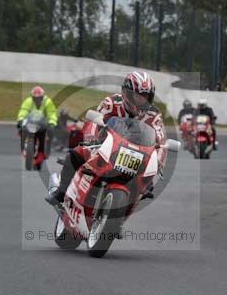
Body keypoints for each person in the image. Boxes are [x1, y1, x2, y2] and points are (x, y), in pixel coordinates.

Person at [47, 71, 165, 205]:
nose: (142, 100)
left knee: (146, 185)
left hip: (135, 157)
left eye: (145, 97)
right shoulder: (111, 103)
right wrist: (91, 139)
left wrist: (158, 161)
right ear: (126, 93)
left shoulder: (153, 115)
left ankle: (120, 212)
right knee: (76, 153)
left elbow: (159, 141)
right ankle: (61, 192)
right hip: (106, 147)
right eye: (138, 96)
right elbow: (94, 122)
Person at [17, 85, 57, 154]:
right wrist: (20, 120)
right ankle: (23, 145)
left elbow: (52, 113)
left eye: (39, 98)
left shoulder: (47, 102)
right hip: (31, 122)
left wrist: (52, 123)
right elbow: (23, 110)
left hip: (43, 123)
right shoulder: (28, 101)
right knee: (21, 129)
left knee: (51, 132)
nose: (37, 100)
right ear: (32, 97)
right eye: (35, 98)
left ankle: (47, 149)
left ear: (42, 97)